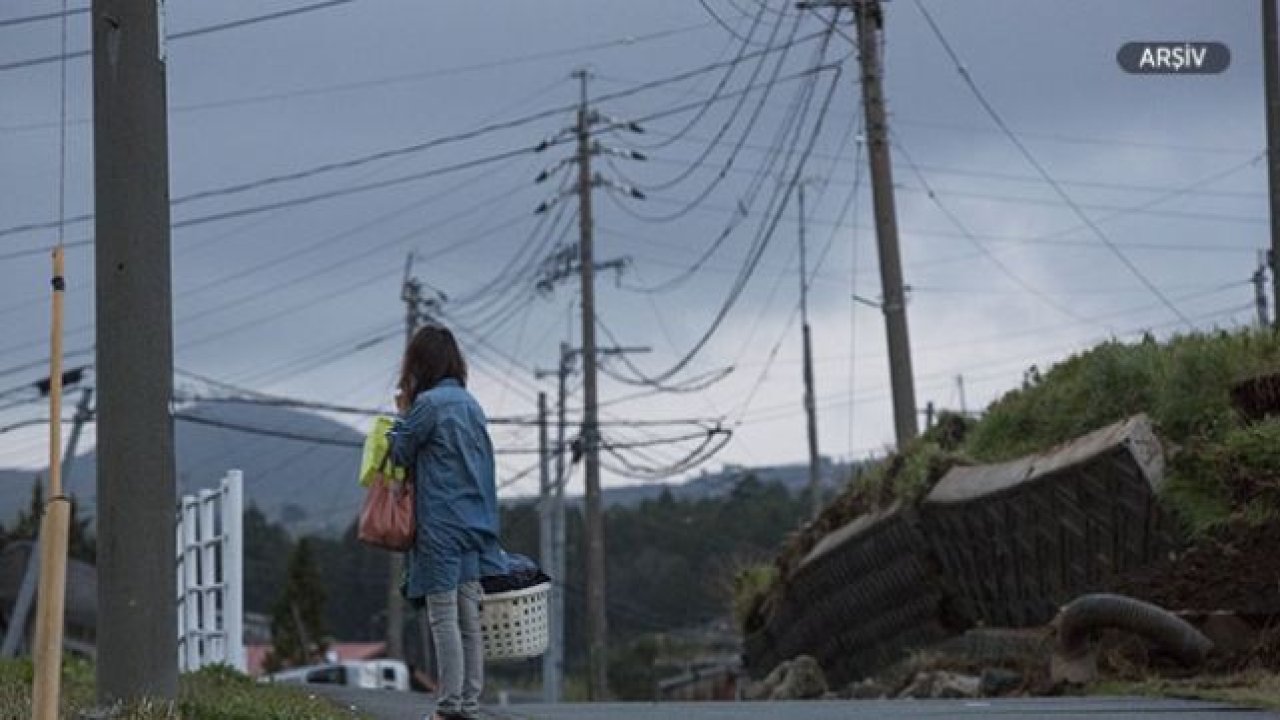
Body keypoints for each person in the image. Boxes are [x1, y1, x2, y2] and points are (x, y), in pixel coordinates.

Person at [388, 324, 502, 720]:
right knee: (469, 618)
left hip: (441, 524)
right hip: (476, 524)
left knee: (443, 617)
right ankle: (468, 703)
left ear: (421, 364)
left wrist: (401, 414)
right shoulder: (472, 405)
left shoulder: (428, 405)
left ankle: (448, 707)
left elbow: (399, 452)